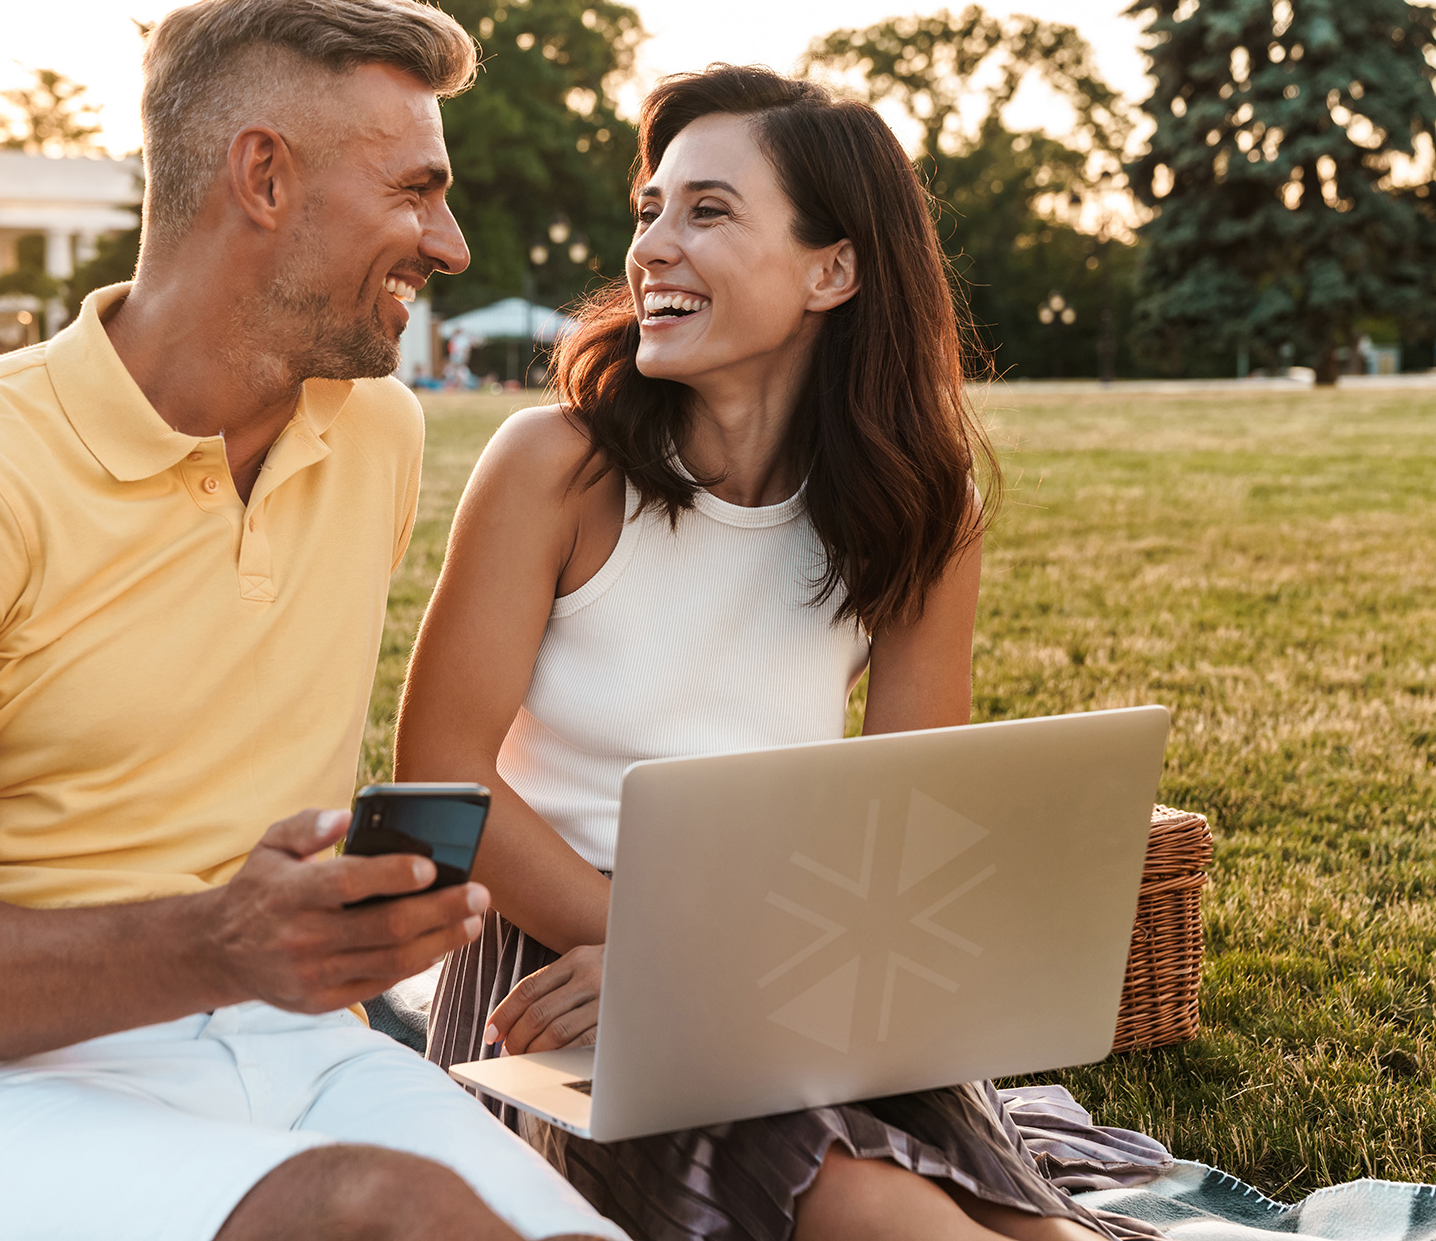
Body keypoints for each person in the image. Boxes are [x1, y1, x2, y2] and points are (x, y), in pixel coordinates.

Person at [0, 0, 624, 1241]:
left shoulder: (374, 430)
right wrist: (217, 941)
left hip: (301, 1052)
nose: (446, 246)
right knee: (375, 1213)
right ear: (263, 177)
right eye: (413, 190)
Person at [400, 66, 1146, 1241]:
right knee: (862, 1204)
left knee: (1029, 1226)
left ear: (830, 269)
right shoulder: (551, 467)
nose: (650, 245)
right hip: (551, 976)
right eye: (649, 208)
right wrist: (650, 953)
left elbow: (915, 816)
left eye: (706, 210)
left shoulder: (916, 502)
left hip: (798, 967)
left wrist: (727, 969)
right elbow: (439, 782)